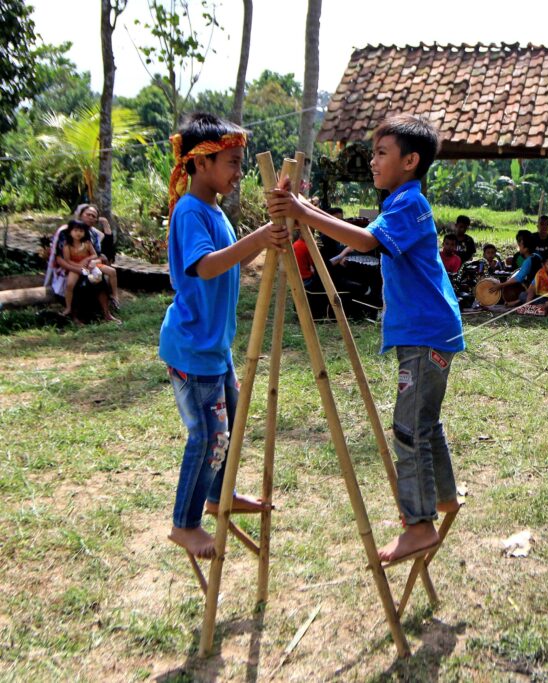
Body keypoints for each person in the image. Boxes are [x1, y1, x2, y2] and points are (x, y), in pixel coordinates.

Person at [268, 114, 464, 562]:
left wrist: (303, 213)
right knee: (425, 422)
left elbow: (366, 243)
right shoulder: (400, 201)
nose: (372, 162)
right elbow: (364, 237)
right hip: (427, 331)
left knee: (408, 426)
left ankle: (418, 524)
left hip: (425, 334)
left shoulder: (410, 204)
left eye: (381, 154)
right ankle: (444, 495)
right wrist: (305, 209)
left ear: (411, 161)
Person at [160, 112, 290, 560]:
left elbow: (229, 263)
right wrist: (258, 237)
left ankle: (220, 495)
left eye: (240, 162)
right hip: (192, 349)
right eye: (232, 163)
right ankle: (185, 523)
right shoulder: (191, 212)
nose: (238, 172)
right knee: (207, 436)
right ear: (200, 164)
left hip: (215, 348)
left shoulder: (212, 210)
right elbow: (207, 265)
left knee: (228, 428)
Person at [57, 219, 120, 324]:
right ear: (70, 232)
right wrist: (79, 267)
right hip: (75, 268)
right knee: (70, 284)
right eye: (76, 230)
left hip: (90, 266)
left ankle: (108, 310)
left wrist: (87, 261)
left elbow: (95, 255)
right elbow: (67, 260)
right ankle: (68, 308)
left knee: (103, 281)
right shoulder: (67, 246)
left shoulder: (87, 243)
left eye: (81, 231)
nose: (78, 233)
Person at [498, 231, 543, 300]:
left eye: (519, 245)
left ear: (526, 248)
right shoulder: (537, 256)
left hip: (536, 291)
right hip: (541, 288)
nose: (518, 248)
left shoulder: (528, 261)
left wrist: (501, 285)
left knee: (522, 296)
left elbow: (519, 278)